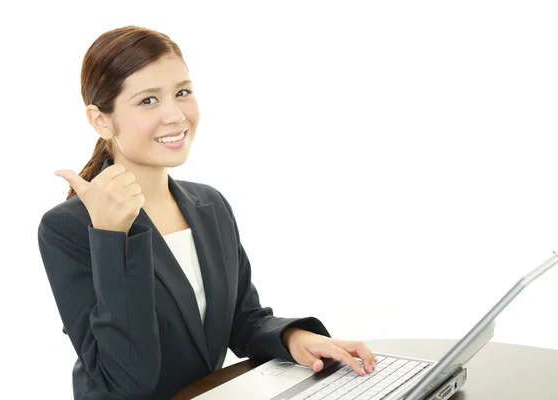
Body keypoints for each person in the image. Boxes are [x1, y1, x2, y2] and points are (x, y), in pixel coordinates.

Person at [37, 25, 377, 400]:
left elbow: (241, 319)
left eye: (182, 92)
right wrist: (112, 236)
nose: (175, 115)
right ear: (101, 119)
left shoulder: (209, 205)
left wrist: (294, 337)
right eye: (148, 100)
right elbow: (128, 381)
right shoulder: (67, 227)